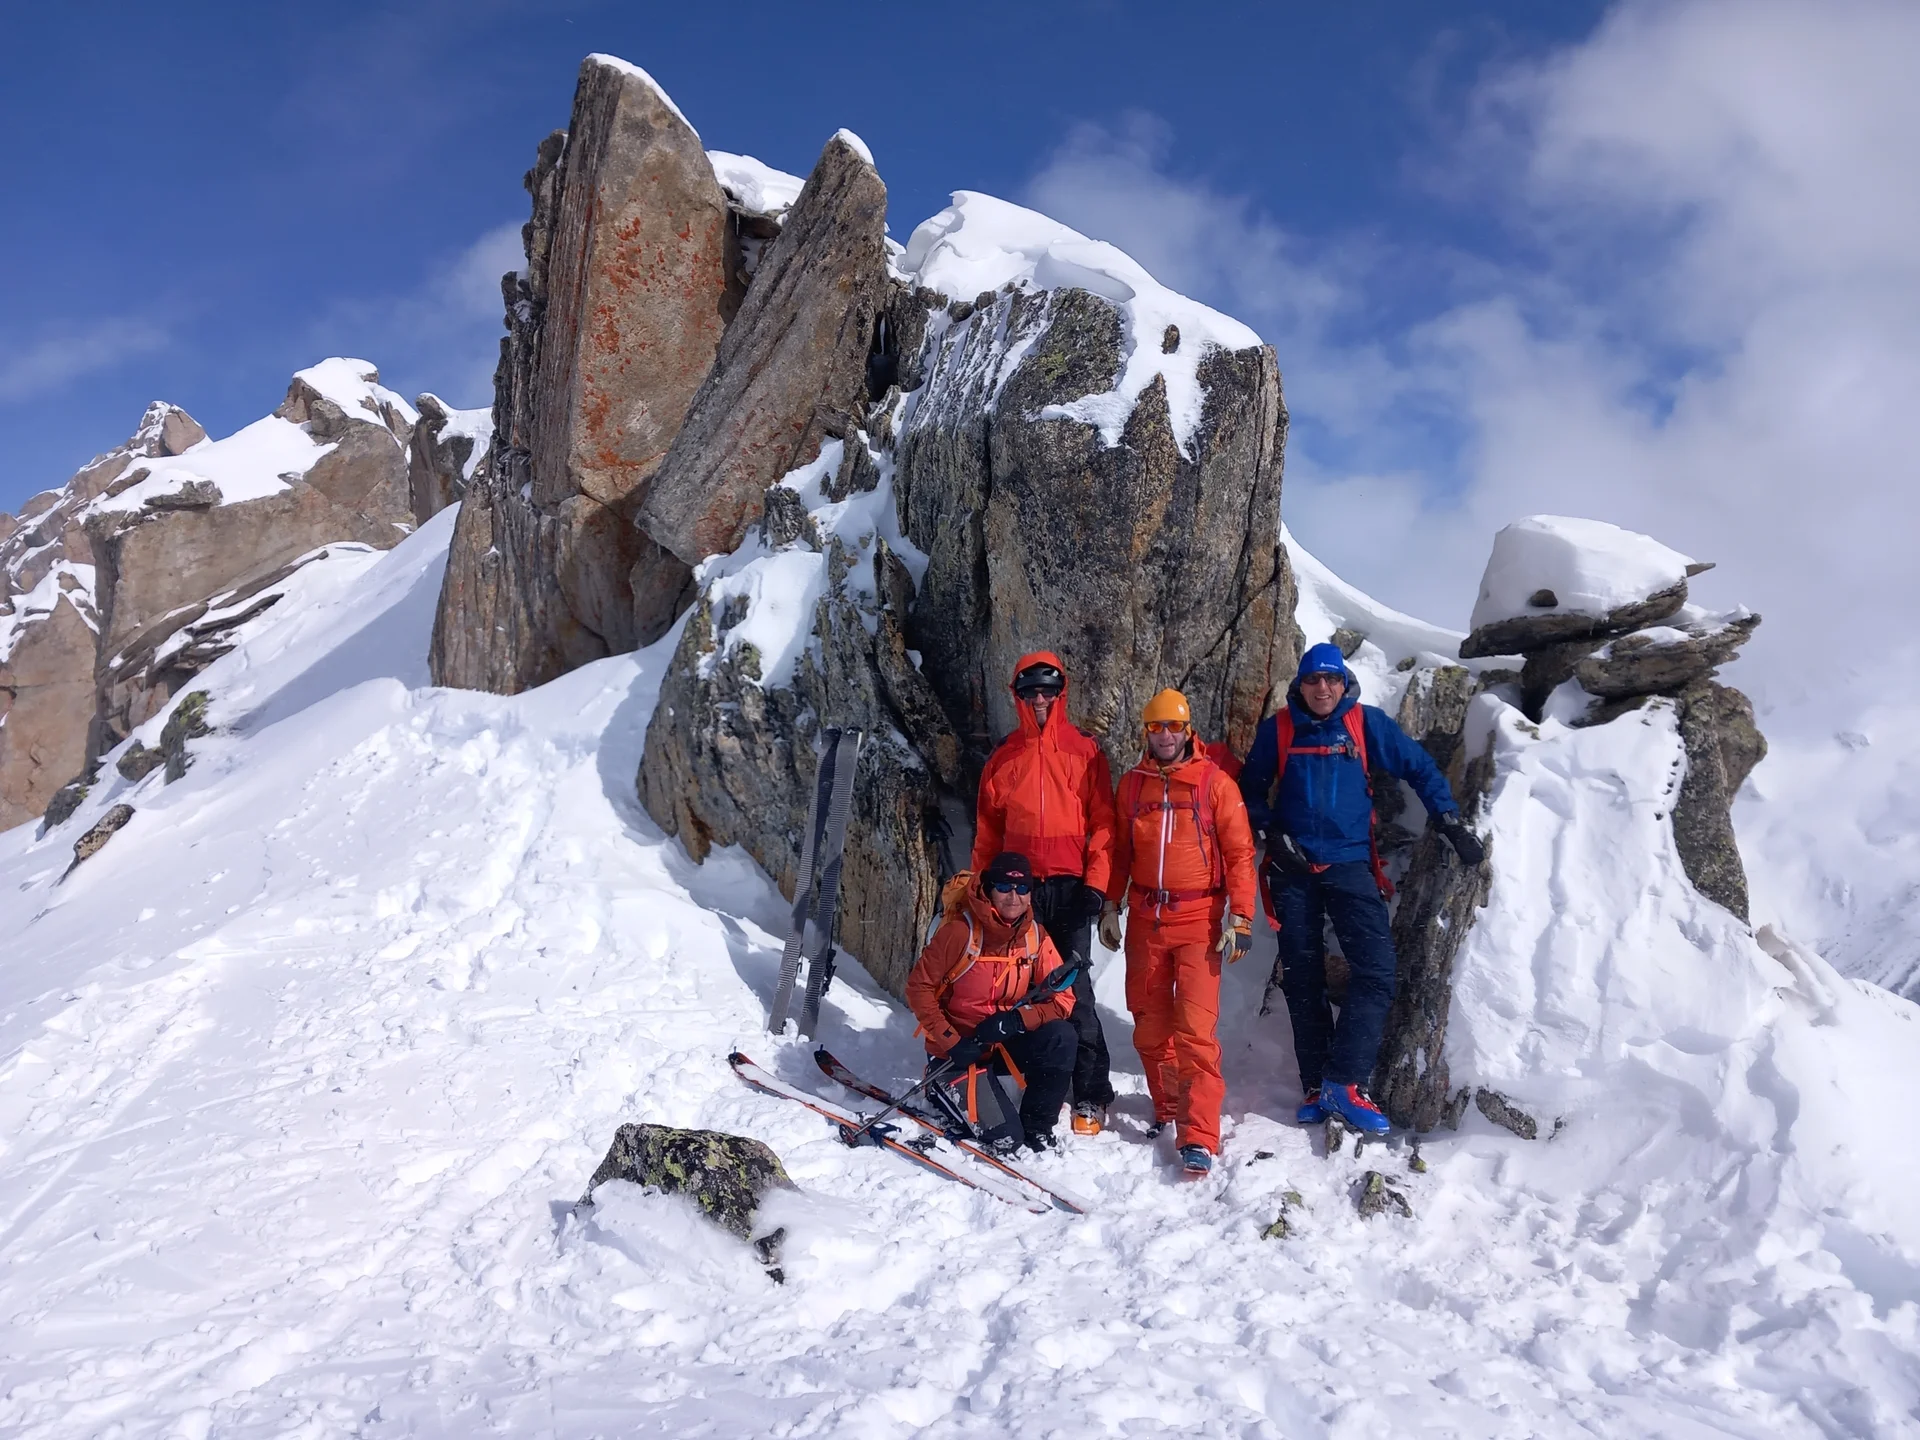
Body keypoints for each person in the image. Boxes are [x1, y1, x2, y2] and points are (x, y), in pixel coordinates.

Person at [1238, 642, 1487, 1136]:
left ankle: (1344, 1081)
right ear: (1301, 686)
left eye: (1331, 680)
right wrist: (1271, 832)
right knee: (1304, 977)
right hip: (1293, 868)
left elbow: (1417, 765)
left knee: (1376, 972)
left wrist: (1448, 819)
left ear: (1343, 682)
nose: (1323, 688)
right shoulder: (1281, 730)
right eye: (1313, 680)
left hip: (1351, 864)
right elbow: (1247, 790)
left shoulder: (1365, 724)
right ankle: (1317, 1086)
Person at [1100, 689, 1257, 1177]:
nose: (1164, 735)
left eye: (1173, 726)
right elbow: (1121, 852)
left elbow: (1239, 853)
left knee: (1194, 1031)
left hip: (1199, 921)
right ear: (1145, 732)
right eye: (1155, 727)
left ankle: (1198, 1134)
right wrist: (1110, 903)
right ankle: (1169, 1105)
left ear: (1188, 731)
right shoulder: (1132, 786)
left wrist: (1242, 916)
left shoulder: (1215, 784)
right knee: (1148, 1023)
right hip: (1146, 916)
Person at [971, 652, 1118, 1136]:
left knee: (1074, 991)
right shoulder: (1004, 756)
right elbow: (989, 833)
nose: (1039, 699)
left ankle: (1092, 1093)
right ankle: (1040, 1078)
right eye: (1030, 691)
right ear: (1017, 695)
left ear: (1061, 694)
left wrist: (1096, 886)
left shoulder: (1083, 751)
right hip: (1019, 895)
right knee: (1015, 987)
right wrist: (980, 890)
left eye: (1047, 691)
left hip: (1072, 890)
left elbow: (1103, 824)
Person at [905, 851, 1079, 1154]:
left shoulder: (1034, 937)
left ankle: (1037, 1126)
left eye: (1023, 889)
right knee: (1005, 1138)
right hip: (958, 1051)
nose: (1014, 897)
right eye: (1005, 888)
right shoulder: (960, 932)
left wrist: (1018, 1020)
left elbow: (1064, 999)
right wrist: (951, 1041)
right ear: (988, 890)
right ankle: (940, 1086)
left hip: (1003, 1043)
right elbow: (918, 989)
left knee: (1061, 1037)